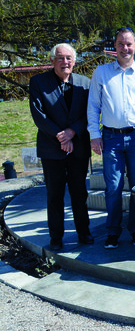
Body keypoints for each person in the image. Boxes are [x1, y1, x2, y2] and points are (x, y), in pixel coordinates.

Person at [87, 27, 135, 249]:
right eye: (121, 43)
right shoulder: (101, 73)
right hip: (111, 137)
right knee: (113, 186)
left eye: (129, 43)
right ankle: (112, 232)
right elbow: (93, 107)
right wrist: (94, 135)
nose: (125, 48)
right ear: (115, 45)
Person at [29, 43, 93, 251]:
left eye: (69, 58)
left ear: (74, 61)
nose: (65, 62)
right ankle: (56, 238)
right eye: (60, 58)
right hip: (51, 149)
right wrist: (61, 137)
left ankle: (84, 233)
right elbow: (39, 115)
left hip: (79, 148)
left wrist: (72, 132)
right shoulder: (38, 82)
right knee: (54, 196)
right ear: (52, 60)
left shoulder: (85, 83)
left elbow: (90, 114)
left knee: (79, 193)